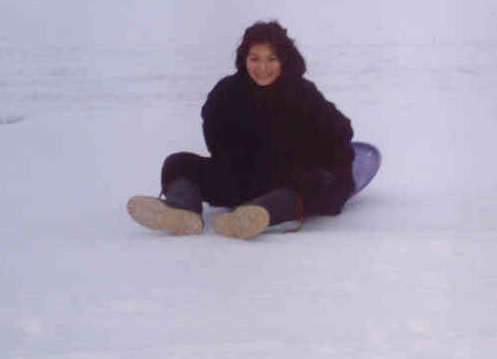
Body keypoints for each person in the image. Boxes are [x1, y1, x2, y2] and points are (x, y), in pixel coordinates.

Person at [128, 21, 356, 238]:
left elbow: (340, 132)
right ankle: (181, 210)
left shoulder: (302, 93)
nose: (262, 68)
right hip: (242, 179)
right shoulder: (226, 92)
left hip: (289, 180)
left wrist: (315, 164)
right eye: (254, 59)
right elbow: (216, 141)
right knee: (178, 163)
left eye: (272, 59)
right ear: (244, 59)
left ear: (284, 60)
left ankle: (257, 214)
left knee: (320, 182)